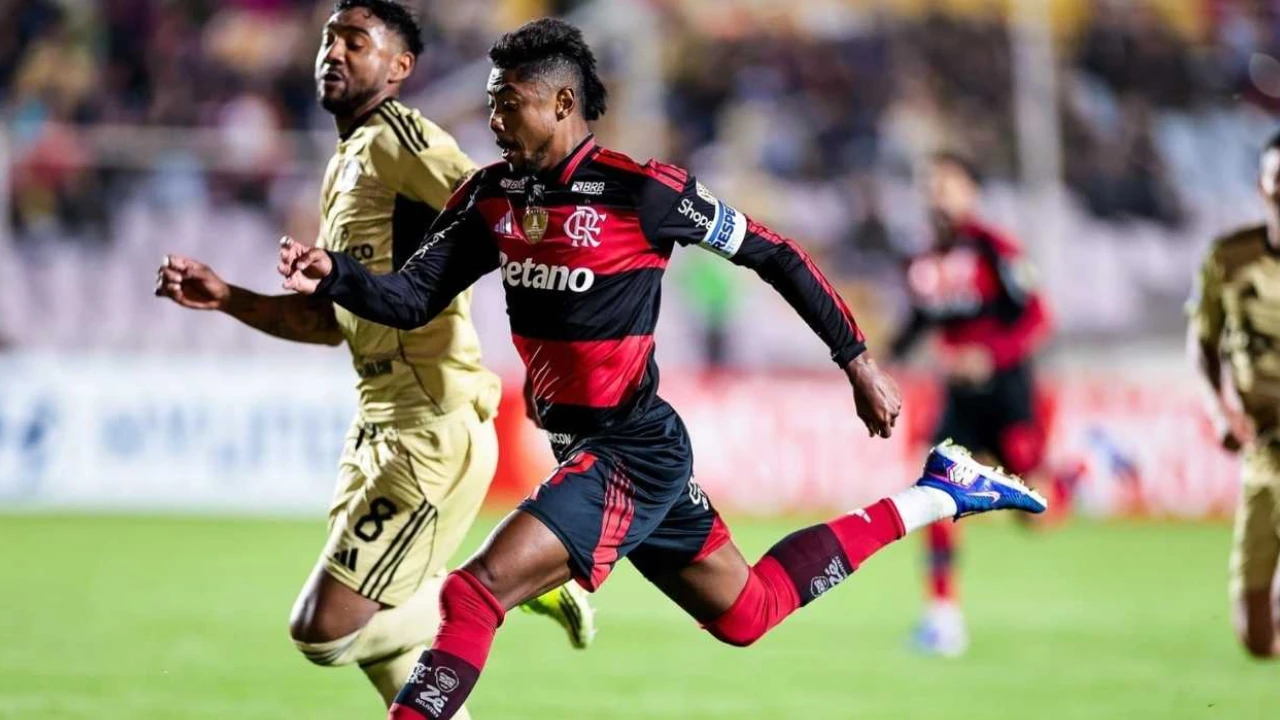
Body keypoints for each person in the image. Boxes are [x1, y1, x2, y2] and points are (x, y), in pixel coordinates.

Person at [276, 19, 1048, 719]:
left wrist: (858, 361)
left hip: (631, 451)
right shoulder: (493, 196)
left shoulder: (643, 192)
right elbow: (412, 298)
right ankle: (938, 493)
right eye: (490, 102)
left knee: (473, 593)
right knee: (750, 612)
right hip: (594, 450)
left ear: (561, 101)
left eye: (508, 101)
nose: (493, 118)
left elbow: (774, 254)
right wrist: (335, 274)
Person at [154, 2, 594, 712]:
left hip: (430, 425)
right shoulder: (347, 165)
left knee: (325, 631)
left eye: (355, 41)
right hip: (378, 425)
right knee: (395, 659)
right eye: (328, 39)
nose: (333, 51)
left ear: (399, 67)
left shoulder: (402, 139)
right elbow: (332, 322)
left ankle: (504, 587)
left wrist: (555, 348)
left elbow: (504, 215)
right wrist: (228, 296)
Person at [888, 152, 1053, 657]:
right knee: (936, 493)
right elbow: (917, 324)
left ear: (971, 191)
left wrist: (990, 355)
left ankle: (1090, 469)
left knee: (1037, 512)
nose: (935, 194)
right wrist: (871, 359)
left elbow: (1037, 317)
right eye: (929, 185)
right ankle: (943, 617)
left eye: (946, 184)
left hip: (1009, 394)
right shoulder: (922, 259)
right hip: (959, 399)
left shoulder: (995, 248)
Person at [1187, 131, 1280, 660]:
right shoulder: (1229, 258)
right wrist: (1217, 407)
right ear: (1262, 186)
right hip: (1263, 455)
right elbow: (1201, 343)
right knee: (1256, 638)